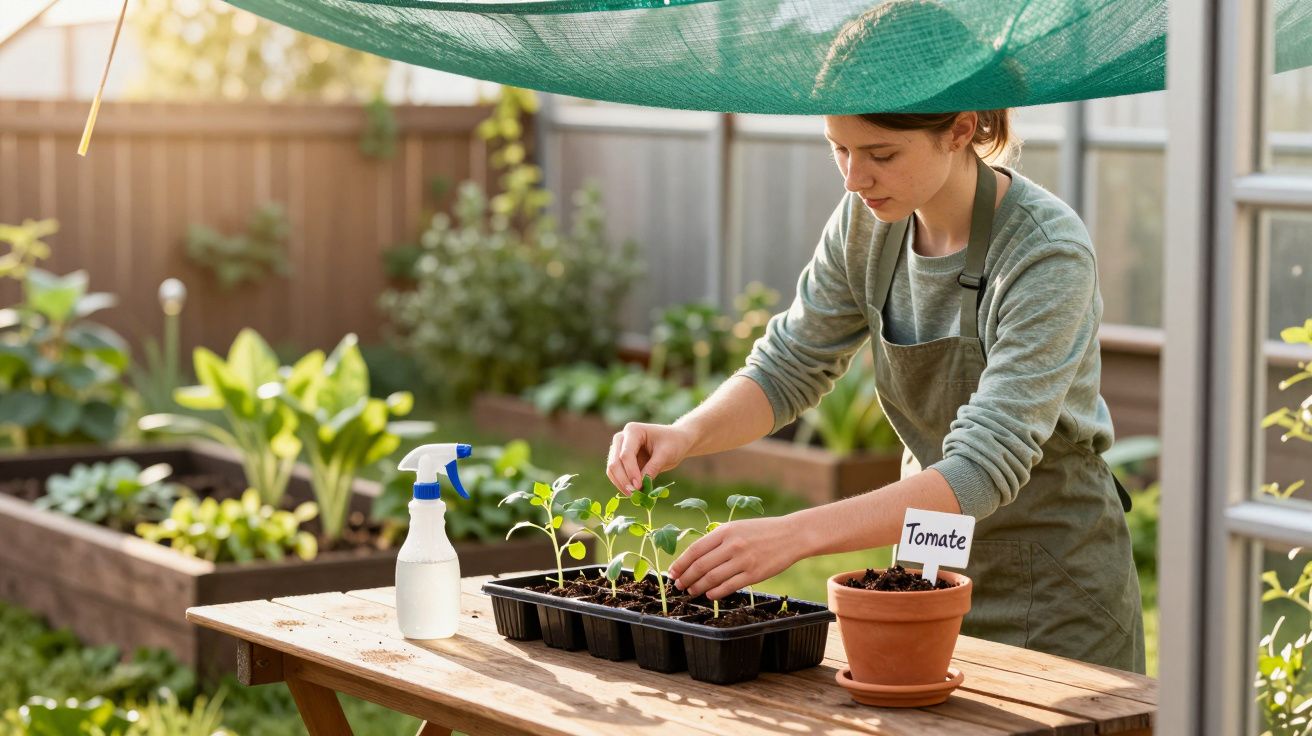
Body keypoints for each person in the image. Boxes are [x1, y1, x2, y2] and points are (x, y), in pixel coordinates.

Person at [604, 106, 1146, 673]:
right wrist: (686, 433)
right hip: (927, 556)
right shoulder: (867, 222)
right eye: (839, 149)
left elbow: (981, 469)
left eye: (881, 155)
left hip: (1055, 580)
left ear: (960, 130)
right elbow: (790, 364)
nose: (853, 177)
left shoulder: (1044, 252)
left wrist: (792, 535)